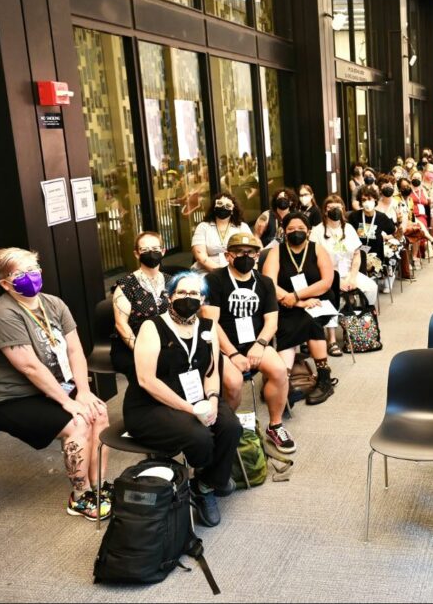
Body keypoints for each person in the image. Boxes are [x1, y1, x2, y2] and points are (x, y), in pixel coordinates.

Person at [0, 247, 112, 520]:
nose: (31, 276)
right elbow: (29, 366)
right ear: (5, 283)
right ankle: (80, 496)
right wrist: (68, 402)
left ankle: (99, 487)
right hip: (5, 398)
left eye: (33, 269)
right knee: (78, 423)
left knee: (98, 411)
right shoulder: (3, 314)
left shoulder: (54, 304)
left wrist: (83, 391)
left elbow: (74, 350)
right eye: (21, 273)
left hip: (47, 388)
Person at [125, 271, 242, 527]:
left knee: (231, 426)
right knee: (198, 436)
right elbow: (147, 380)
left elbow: (211, 371)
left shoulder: (208, 328)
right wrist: (190, 409)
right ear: (169, 296)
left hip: (197, 397)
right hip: (151, 403)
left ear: (202, 299)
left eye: (194, 294)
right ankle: (211, 481)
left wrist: (212, 399)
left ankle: (205, 483)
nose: (188, 298)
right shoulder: (152, 326)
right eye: (181, 292)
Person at [201, 233, 295, 455]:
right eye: (239, 252)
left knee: (280, 371)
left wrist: (260, 345)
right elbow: (210, 323)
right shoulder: (213, 280)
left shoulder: (264, 282)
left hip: (255, 344)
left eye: (250, 252)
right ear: (227, 255)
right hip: (223, 347)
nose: (245, 256)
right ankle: (225, 429)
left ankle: (275, 425)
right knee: (233, 384)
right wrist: (233, 354)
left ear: (257, 255)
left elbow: (271, 322)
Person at [262, 212, 338, 405]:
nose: (296, 232)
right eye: (291, 229)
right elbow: (269, 283)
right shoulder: (276, 251)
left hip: (319, 301)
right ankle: (284, 380)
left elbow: (327, 282)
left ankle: (323, 378)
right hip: (286, 303)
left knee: (311, 321)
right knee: (289, 324)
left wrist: (297, 296)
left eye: (301, 229)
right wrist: (296, 302)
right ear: (284, 231)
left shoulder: (317, 249)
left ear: (309, 231)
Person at [312, 195, 379, 348]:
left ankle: (357, 323)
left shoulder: (348, 229)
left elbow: (357, 255)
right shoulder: (317, 231)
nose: (335, 210)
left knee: (371, 287)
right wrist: (337, 280)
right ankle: (332, 339)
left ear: (342, 210)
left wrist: (353, 277)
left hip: (349, 272)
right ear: (325, 211)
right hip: (328, 275)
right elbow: (316, 260)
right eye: (331, 208)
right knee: (331, 295)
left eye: (338, 207)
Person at [111, 232, 171, 381]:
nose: (151, 253)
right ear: (137, 254)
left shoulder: (172, 282)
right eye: (145, 250)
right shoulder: (126, 285)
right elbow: (120, 325)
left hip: (166, 342)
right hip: (133, 344)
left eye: (156, 249)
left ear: (163, 251)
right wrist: (141, 350)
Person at [349, 185, 397, 290]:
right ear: (360, 202)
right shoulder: (354, 216)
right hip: (359, 252)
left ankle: (386, 276)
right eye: (364, 200)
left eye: (369, 199)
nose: (367, 202)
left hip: (376, 253)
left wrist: (386, 237)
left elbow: (394, 232)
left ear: (375, 199)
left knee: (391, 250)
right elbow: (348, 235)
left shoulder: (381, 217)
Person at [191, 193, 252, 271]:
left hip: (237, 270)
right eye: (219, 203)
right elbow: (200, 256)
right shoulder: (203, 227)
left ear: (232, 210)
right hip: (206, 270)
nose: (223, 207)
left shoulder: (242, 227)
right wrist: (221, 273)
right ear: (214, 207)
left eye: (228, 205)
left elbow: (250, 251)